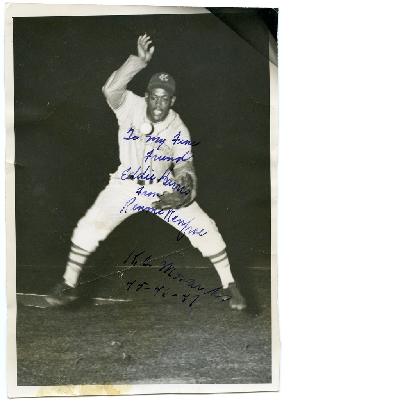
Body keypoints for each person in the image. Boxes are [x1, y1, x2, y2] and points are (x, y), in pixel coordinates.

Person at [46, 34, 246, 310]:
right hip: (124, 186)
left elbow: (184, 165)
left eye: (164, 99)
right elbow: (110, 90)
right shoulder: (130, 105)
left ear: (172, 100)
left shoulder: (178, 128)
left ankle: (230, 286)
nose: (157, 103)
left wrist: (184, 191)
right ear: (147, 95)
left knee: (205, 228)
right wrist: (138, 62)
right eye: (154, 96)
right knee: (88, 228)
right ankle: (67, 284)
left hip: (160, 187)